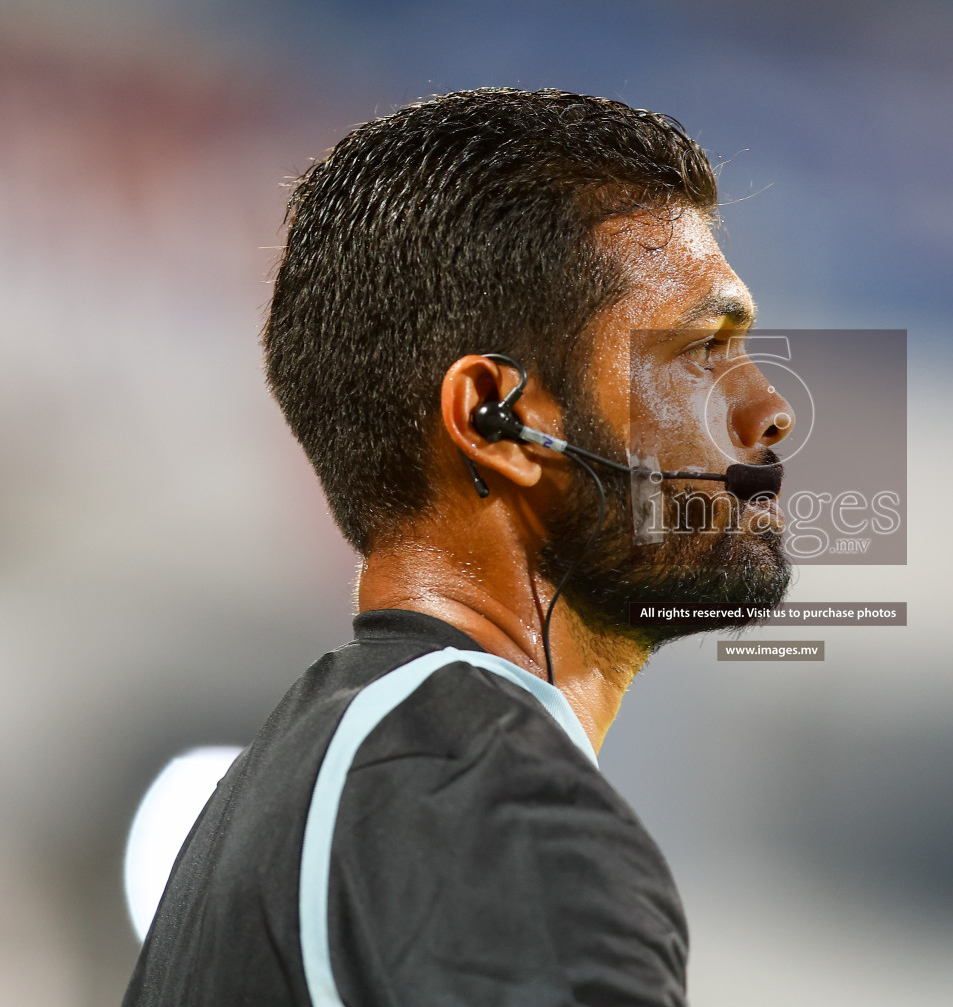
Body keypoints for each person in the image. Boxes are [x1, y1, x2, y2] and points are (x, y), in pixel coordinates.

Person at [122, 87, 794, 1006]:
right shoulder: (486, 799)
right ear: (498, 422)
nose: (769, 411)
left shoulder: (302, 783)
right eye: (699, 352)